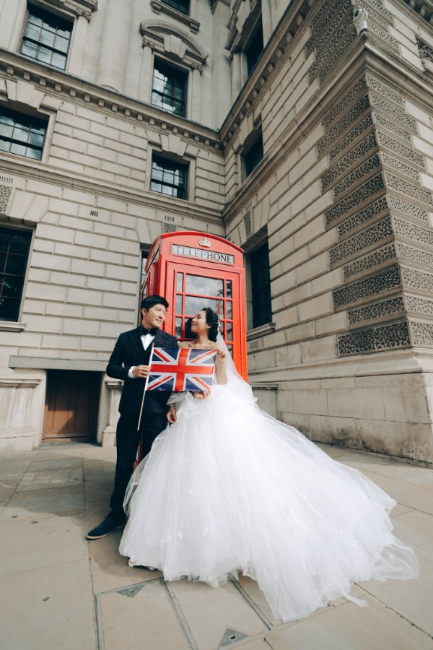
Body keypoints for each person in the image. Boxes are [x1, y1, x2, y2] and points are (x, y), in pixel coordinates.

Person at [119, 307, 419, 623]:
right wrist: (175, 404)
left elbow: (220, 385)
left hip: (208, 412)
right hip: (188, 413)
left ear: (210, 325)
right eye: (193, 317)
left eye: (199, 317)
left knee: (219, 477)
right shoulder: (182, 348)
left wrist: (214, 373)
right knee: (188, 480)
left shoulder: (219, 350)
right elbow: (177, 382)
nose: (193, 320)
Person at [87, 295, 177, 540]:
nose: (162, 315)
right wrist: (132, 371)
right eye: (158, 310)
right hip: (129, 411)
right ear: (144, 311)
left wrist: (172, 406)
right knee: (124, 463)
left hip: (157, 412)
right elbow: (112, 367)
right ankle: (116, 514)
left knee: (150, 466)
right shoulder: (125, 338)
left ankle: (144, 516)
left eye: (165, 312)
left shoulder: (170, 340)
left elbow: (174, 376)